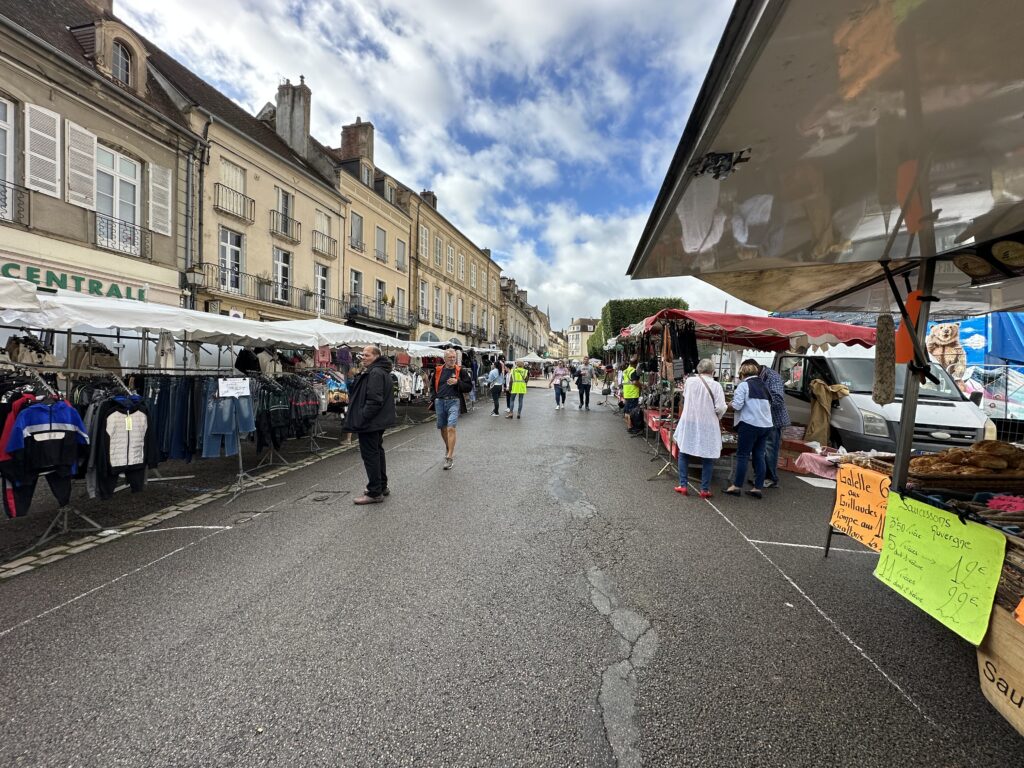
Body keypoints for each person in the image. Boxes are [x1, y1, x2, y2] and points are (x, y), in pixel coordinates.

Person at [344, 345, 396, 505]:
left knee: (371, 455)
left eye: (367, 355)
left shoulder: (375, 372)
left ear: (376, 356)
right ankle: (381, 486)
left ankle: (375, 492)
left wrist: (362, 418)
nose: (363, 357)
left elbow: (374, 400)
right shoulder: (379, 371)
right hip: (377, 420)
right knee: (377, 452)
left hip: (371, 421)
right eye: (363, 355)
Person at [673, 359, 727, 498]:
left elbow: (685, 397)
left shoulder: (690, 382)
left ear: (699, 369)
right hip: (708, 423)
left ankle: (683, 485)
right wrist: (718, 416)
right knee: (708, 456)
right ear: (713, 371)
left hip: (689, 421)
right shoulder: (716, 386)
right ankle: (704, 489)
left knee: (684, 452)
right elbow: (720, 407)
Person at [724, 359, 774, 499]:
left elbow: (737, 406)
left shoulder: (743, 385)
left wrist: (727, 404)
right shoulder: (764, 386)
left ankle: (737, 486)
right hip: (766, 425)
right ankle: (757, 487)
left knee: (743, 455)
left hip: (750, 425)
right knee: (759, 455)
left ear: (742, 373)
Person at [429, 348, 474, 469]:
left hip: (454, 401)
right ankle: (448, 447)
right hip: (440, 402)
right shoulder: (438, 370)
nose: (452, 359)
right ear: (445, 358)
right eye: (450, 357)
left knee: (451, 427)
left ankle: (449, 457)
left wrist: (457, 382)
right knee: (443, 428)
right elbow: (432, 385)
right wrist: (434, 397)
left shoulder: (461, 371)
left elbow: (469, 387)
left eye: (454, 357)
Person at [759, 362, 791, 489]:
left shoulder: (773, 377)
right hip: (763, 419)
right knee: (762, 449)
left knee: (770, 448)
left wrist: (759, 405)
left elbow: (777, 399)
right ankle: (762, 476)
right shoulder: (760, 376)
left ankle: (771, 478)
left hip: (773, 419)